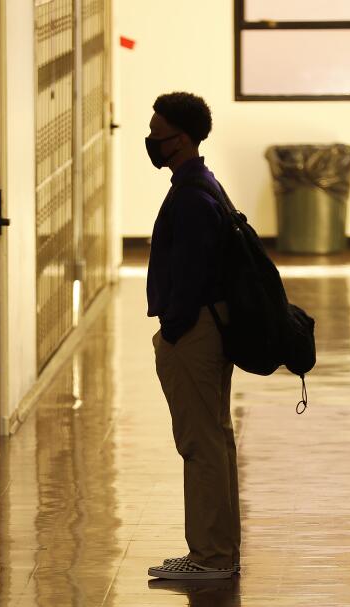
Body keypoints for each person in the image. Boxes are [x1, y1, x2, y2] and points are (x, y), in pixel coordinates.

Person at [143, 92, 241, 581]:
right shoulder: (199, 184)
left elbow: (195, 274)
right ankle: (216, 549)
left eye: (158, 133)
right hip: (202, 328)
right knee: (214, 441)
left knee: (201, 445)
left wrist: (173, 330)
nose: (152, 141)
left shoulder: (194, 195)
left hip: (194, 333)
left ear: (181, 139)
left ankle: (210, 557)